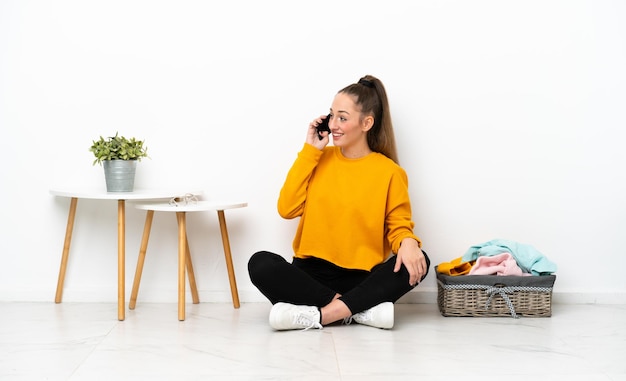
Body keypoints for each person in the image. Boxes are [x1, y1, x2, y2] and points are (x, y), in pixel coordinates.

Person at [248, 75, 430, 330]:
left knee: (421, 260)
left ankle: (320, 315)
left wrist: (408, 242)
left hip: (361, 279)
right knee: (260, 263)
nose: (334, 124)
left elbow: (398, 226)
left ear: (367, 123)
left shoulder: (389, 172)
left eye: (342, 118)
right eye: (331, 115)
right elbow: (286, 209)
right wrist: (311, 149)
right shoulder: (318, 158)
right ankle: (355, 311)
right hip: (311, 276)